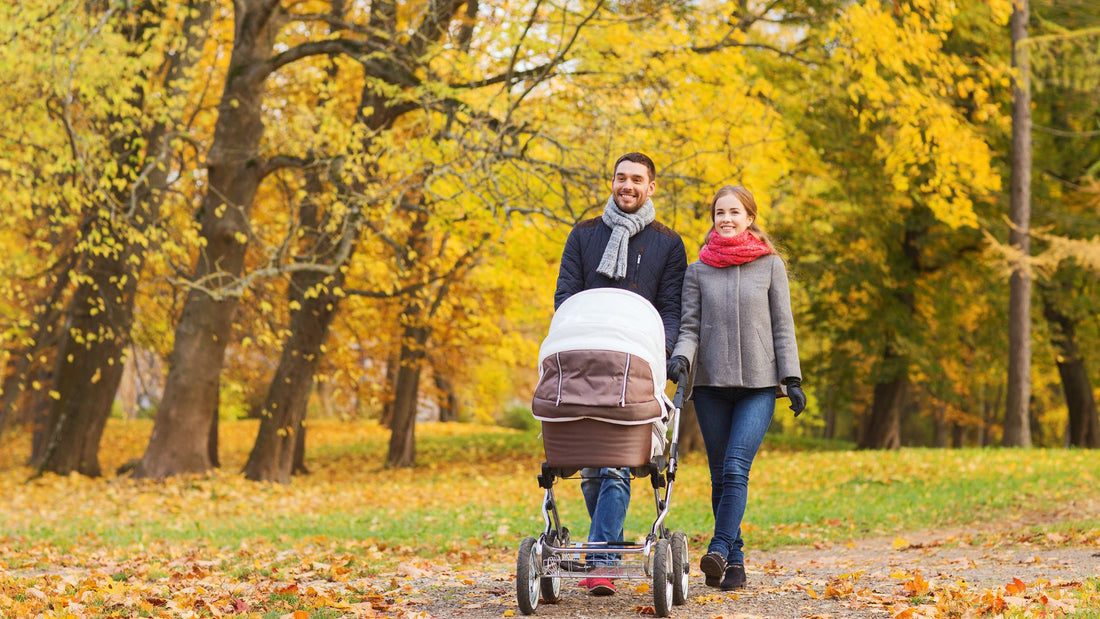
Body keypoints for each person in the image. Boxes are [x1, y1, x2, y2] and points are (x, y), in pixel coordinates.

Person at [553, 152, 687, 596]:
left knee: (613, 468)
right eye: (620, 178)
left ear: (651, 187)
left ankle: (601, 560)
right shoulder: (585, 234)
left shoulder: (668, 244)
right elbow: (566, 297)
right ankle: (604, 545)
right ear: (611, 182)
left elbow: (670, 308)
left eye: (636, 179)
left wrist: (659, 355)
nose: (626, 185)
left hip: (635, 368)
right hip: (586, 365)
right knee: (593, 471)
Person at [666, 184, 805, 592]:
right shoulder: (697, 271)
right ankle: (735, 563)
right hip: (710, 386)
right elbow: (690, 327)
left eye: (734, 212)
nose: (725, 218)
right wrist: (682, 360)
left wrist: (791, 377)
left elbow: (783, 327)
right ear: (713, 219)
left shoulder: (770, 266)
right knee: (719, 477)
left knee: (735, 467)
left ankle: (720, 546)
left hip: (759, 386)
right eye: (719, 213)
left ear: (749, 218)